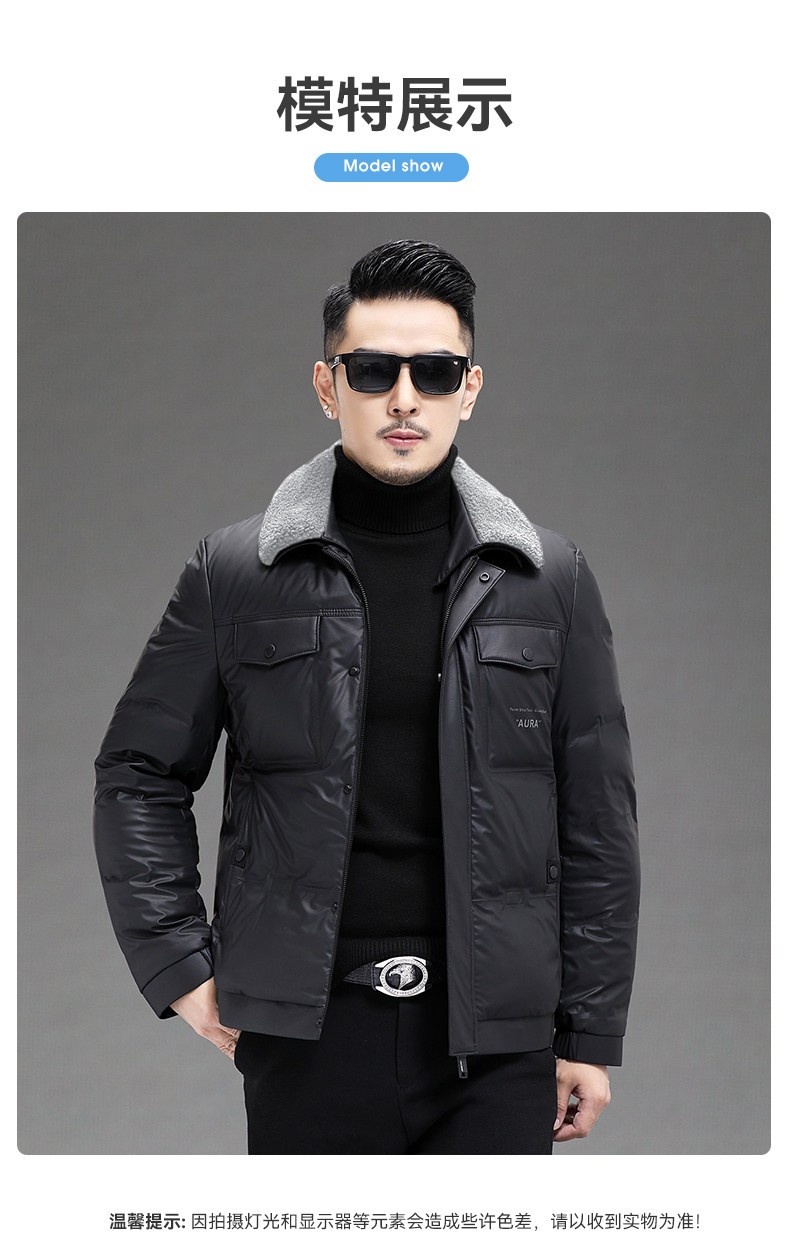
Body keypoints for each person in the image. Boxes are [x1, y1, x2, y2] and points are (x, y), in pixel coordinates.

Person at [93, 239, 640, 1155]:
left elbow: (598, 817)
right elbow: (137, 771)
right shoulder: (236, 572)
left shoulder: (549, 580)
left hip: (496, 1046)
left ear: (470, 388)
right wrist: (179, 964)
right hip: (306, 1037)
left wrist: (588, 1030)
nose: (404, 398)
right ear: (327, 383)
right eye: (374, 370)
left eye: (435, 372)